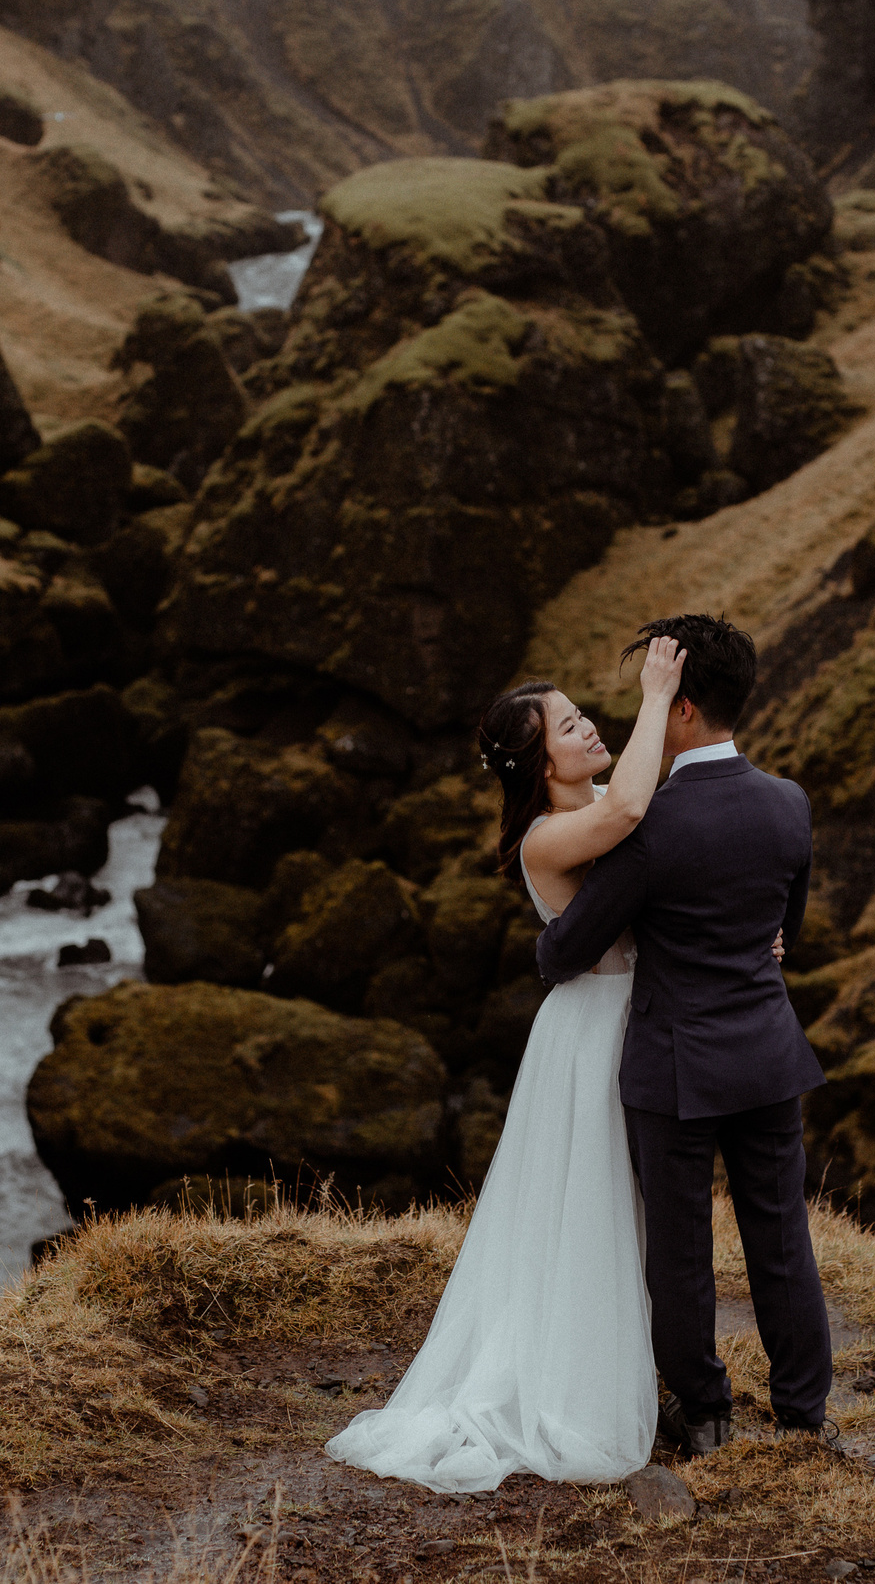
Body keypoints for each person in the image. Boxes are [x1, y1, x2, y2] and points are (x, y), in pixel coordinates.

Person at [323, 636, 689, 1492]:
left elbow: (665, 847)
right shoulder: (547, 838)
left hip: (640, 1015)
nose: (588, 725)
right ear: (538, 759)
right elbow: (633, 813)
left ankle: (637, 1367)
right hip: (594, 1028)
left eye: (581, 712)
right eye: (569, 723)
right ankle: (574, 1390)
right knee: (592, 1207)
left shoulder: (601, 796)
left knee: (630, 1211)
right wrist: (657, 688)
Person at [536, 613, 836, 1458]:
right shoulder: (789, 804)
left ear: (683, 710)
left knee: (681, 1252)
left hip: (676, 1068)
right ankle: (805, 1412)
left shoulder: (653, 825)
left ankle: (703, 1413)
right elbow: (787, 927)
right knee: (782, 1239)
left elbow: (568, 949)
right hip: (770, 1053)